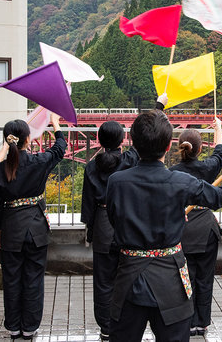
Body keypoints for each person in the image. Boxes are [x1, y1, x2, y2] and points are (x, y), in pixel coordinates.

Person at [106, 106, 222, 342]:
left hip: (128, 277)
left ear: (133, 144)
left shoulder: (116, 182)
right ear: (168, 146)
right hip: (170, 279)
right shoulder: (179, 182)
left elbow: (116, 219)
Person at [0, 114, 66, 340]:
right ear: (28, 139)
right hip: (36, 229)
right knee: (33, 279)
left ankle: (13, 326)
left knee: (11, 279)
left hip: (11, 228)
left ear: (7, 141)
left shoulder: (0, 168)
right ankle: (29, 327)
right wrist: (55, 123)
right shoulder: (39, 161)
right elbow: (60, 147)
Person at [80, 120, 139, 341]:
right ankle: (125, 322)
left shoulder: (91, 166)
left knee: (103, 281)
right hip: (126, 224)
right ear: (122, 139)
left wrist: (90, 230)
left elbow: (87, 203)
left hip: (103, 226)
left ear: (99, 140)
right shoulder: (129, 161)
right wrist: (158, 107)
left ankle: (105, 326)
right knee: (127, 277)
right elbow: (144, 137)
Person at [168, 118, 222, 337]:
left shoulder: (172, 173)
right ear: (200, 149)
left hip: (182, 231)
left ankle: (187, 321)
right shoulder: (207, 168)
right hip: (206, 231)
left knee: (184, 278)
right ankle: (202, 322)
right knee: (205, 278)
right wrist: (218, 128)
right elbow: (219, 155)